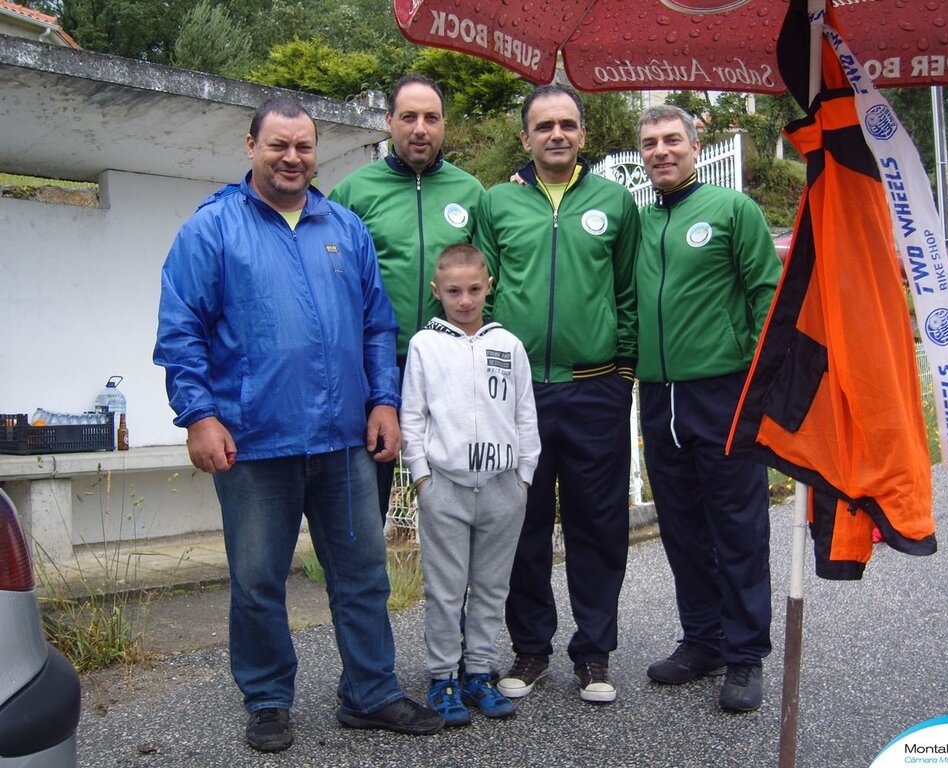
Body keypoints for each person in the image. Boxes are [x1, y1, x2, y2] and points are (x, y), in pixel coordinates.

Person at [153, 96, 443, 753]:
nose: (292, 158)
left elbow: (377, 324)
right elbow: (181, 331)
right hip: (253, 443)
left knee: (363, 573)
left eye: (304, 147)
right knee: (258, 580)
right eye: (278, 145)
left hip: (343, 439)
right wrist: (198, 415)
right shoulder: (212, 230)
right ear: (251, 147)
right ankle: (266, 699)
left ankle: (370, 693)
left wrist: (383, 401)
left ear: (317, 153)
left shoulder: (344, 226)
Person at [476, 83, 640, 704]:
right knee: (522, 524)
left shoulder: (614, 202)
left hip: (595, 389)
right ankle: (531, 649)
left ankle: (594, 656)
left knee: (599, 524)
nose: (557, 135)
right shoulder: (498, 203)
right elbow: (484, 295)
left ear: (583, 134)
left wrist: (623, 374)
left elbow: (626, 291)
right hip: (518, 395)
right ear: (525, 137)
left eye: (567, 125)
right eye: (544, 126)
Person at [634, 105, 781, 712]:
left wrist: (745, 363)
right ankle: (703, 640)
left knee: (738, 527)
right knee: (683, 528)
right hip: (659, 395)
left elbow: (767, 291)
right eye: (650, 143)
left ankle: (745, 656)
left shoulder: (732, 210)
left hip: (723, 392)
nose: (661, 151)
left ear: (696, 147)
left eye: (673, 140)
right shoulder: (638, 219)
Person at [329, 74, 484, 523]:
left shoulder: (471, 192)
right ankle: (365, 591)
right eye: (409, 117)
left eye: (431, 118)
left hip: (448, 365)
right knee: (364, 502)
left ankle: (451, 592)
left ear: (443, 125)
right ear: (388, 121)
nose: (420, 128)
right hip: (374, 366)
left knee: (450, 498)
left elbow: (487, 278)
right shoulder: (354, 193)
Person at [401, 243, 541, 726]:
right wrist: (421, 475)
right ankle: (442, 677)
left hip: (504, 487)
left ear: (489, 287)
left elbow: (525, 413)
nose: (464, 300)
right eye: (454, 291)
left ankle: (479, 671)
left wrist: (524, 474)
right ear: (437, 291)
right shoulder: (425, 345)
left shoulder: (509, 345)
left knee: (491, 586)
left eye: (474, 290)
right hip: (445, 487)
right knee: (445, 588)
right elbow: (412, 415)